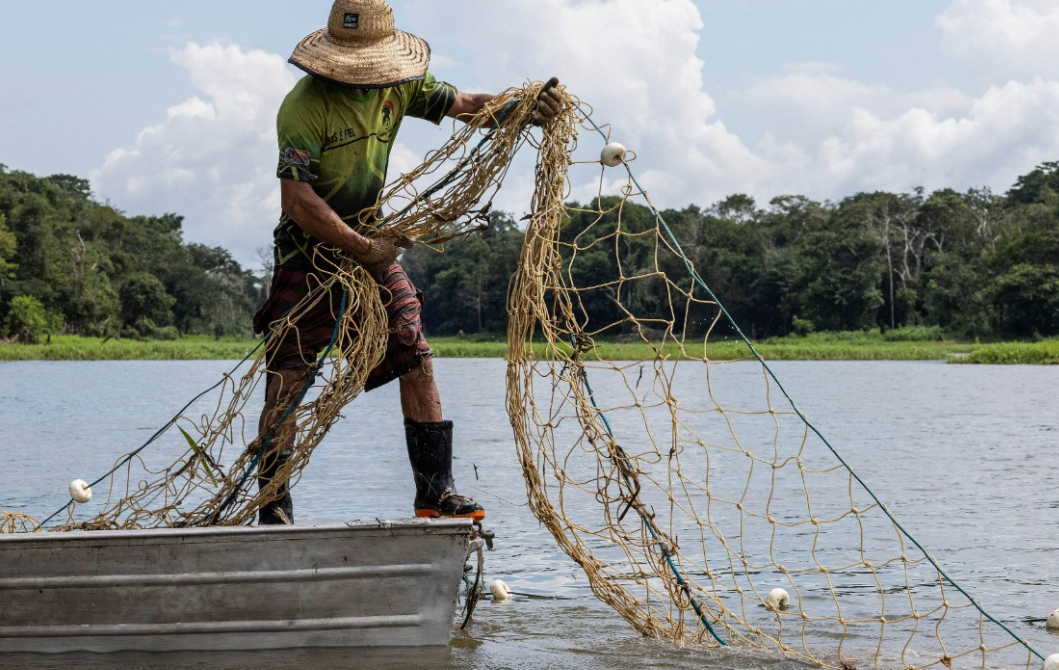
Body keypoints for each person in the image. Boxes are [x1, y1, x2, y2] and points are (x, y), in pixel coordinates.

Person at [251, 0, 562, 526]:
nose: (365, 82)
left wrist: (522, 108)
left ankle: (435, 494)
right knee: (289, 375)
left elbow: (466, 104)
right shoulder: (304, 107)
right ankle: (273, 505)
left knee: (416, 358)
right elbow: (297, 200)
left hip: (371, 243)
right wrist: (359, 246)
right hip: (309, 253)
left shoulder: (402, 85)